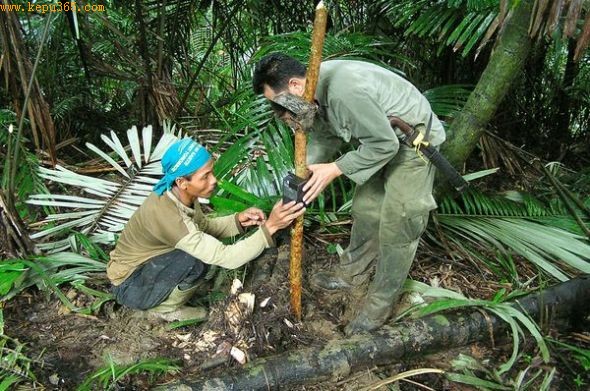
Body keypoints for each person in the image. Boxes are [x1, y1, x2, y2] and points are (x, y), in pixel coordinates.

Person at [252, 54, 445, 335]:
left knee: (398, 223)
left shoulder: (344, 91)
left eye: (276, 99)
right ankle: (351, 273)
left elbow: (385, 145)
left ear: (294, 85)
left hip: (410, 145)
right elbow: (325, 134)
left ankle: (379, 304)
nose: (275, 106)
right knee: (366, 208)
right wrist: (304, 171)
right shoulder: (311, 90)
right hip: (377, 140)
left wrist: (334, 169)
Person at [107, 137, 305, 321]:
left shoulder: (181, 196)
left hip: (148, 267)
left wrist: (238, 221)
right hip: (130, 286)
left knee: (197, 254)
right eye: (205, 176)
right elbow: (228, 258)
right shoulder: (167, 216)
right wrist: (270, 226)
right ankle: (164, 310)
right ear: (182, 182)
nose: (214, 181)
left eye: (212, 171)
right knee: (195, 260)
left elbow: (204, 226)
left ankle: (165, 295)